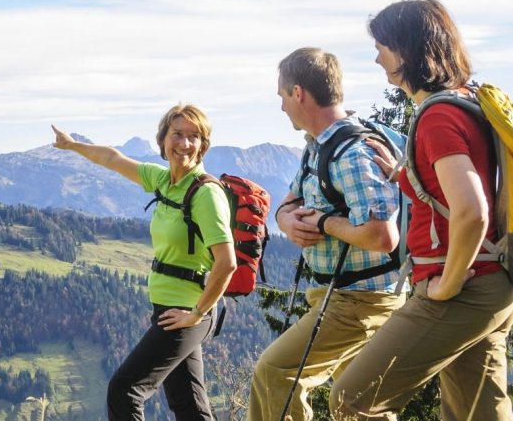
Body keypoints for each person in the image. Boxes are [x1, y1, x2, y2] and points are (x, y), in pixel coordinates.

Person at [330, 0, 513, 420]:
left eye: (382, 45)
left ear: (407, 48)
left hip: (462, 288)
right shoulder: (466, 102)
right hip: (495, 282)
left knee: (351, 399)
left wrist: (449, 285)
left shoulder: (437, 118)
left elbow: (471, 211)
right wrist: (404, 174)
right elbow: (458, 183)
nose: (376, 57)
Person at [247, 47, 406, 421]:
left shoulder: (351, 153)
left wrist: (321, 223)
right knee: (361, 403)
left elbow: (383, 236)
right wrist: (288, 222)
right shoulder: (317, 146)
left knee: (275, 374)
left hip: (359, 301)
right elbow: (285, 206)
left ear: (298, 92)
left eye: (282, 96)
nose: (283, 106)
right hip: (339, 297)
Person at [53, 104, 235, 421]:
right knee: (188, 405)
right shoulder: (162, 180)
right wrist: (72, 145)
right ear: (163, 139)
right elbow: (112, 158)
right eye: (177, 134)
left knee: (124, 390)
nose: (185, 143)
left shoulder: (206, 194)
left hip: (188, 311)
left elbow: (227, 263)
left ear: (203, 144)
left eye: (194, 136)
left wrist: (196, 314)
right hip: (170, 310)